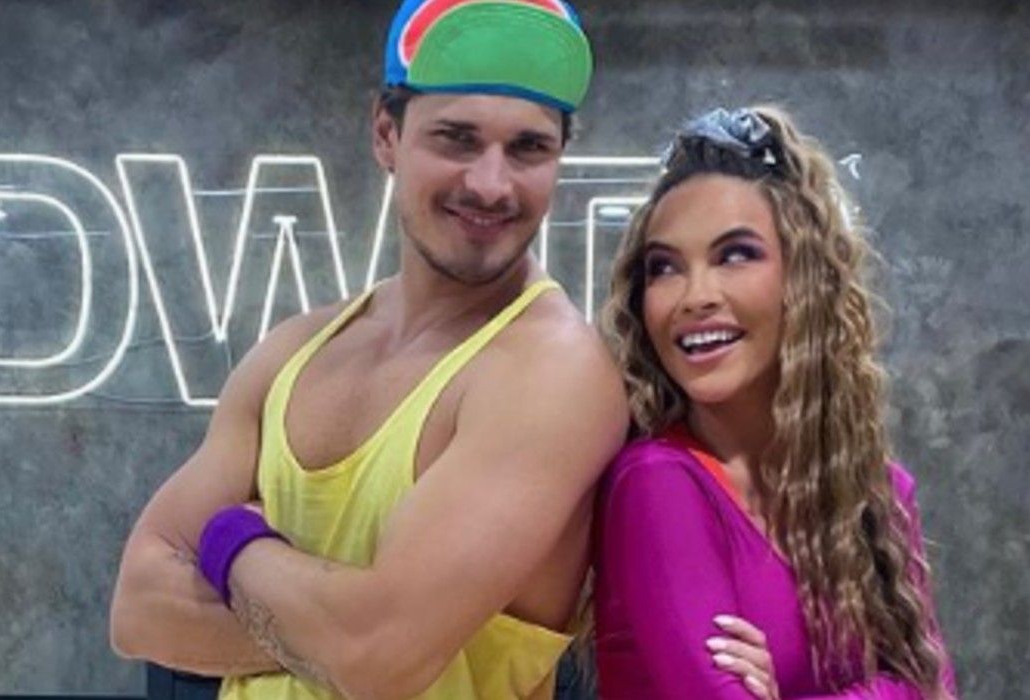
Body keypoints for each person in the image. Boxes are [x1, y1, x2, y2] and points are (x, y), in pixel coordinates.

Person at [108, 1, 630, 698]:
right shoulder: (294, 351)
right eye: (457, 139)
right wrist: (335, 630)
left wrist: (233, 541)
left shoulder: (555, 371)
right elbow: (137, 608)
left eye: (529, 148)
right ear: (386, 134)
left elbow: (374, 654)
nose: (490, 183)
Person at [594, 106, 957, 699]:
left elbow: (934, 687)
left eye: (735, 255)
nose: (695, 296)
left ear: (804, 281)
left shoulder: (879, 494)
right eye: (664, 268)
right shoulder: (657, 484)